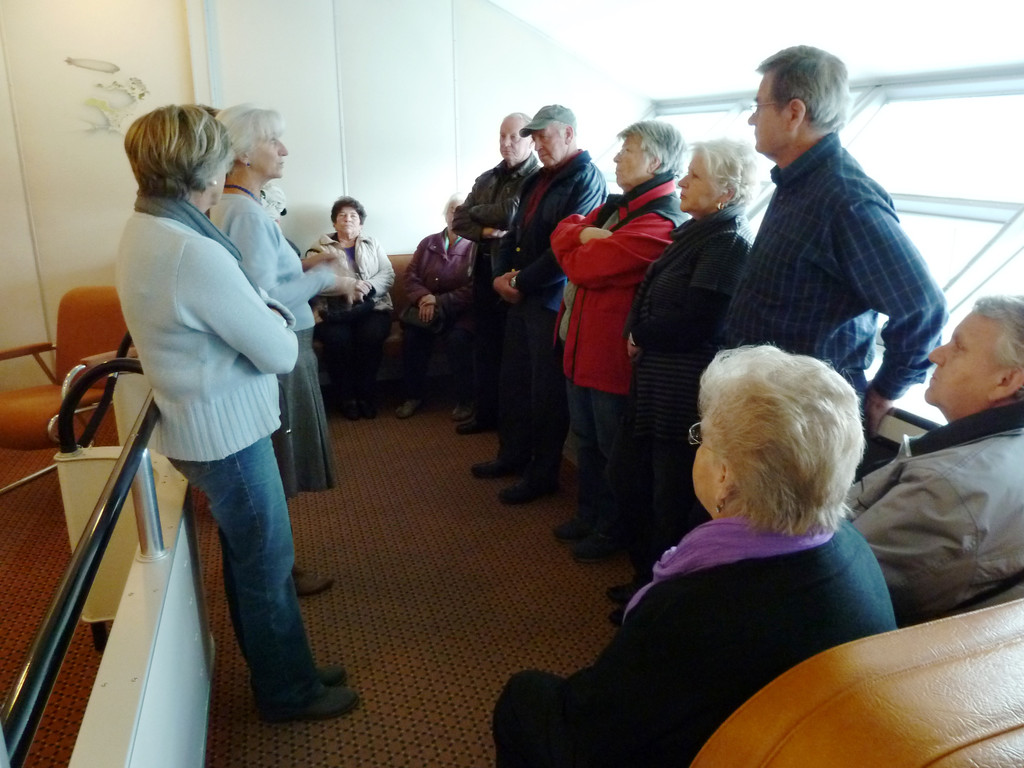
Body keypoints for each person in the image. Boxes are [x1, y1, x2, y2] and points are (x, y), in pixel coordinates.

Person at [492, 345, 897, 768]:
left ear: (725, 478)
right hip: (792, 742)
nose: (696, 447)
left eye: (701, 438)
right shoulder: (854, 548)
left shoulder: (696, 607)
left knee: (523, 696)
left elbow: (591, 732)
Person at [115, 104, 357, 722]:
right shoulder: (189, 250)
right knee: (266, 566)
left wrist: (262, 309)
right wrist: (272, 312)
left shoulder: (148, 227)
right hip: (226, 435)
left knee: (251, 558)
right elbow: (279, 350)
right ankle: (287, 691)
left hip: (204, 425)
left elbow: (247, 311)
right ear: (203, 165)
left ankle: (285, 669)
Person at [723, 45, 947, 437]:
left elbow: (923, 308)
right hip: (763, 400)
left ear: (794, 112)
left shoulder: (845, 199)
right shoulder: (798, 182)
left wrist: (886, 389)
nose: (752, 118)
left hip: (800, 417)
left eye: (760, 106)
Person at [605, 138, 758, 619]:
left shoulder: (728, 241)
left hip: (681, 391)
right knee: (634, 482)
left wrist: (641, 333)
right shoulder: (697, 232)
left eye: (694, 176)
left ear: (726, 192)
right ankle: (645, 580)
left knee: (667, 499)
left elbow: (700, 323)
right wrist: (638, 331)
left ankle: (658, 596)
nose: (682, 182)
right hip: (656, 384)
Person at [210, 104, 341, 597]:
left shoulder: (240, 205)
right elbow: (265, 298)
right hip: (281, 350)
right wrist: (327, 279)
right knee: (277, 465)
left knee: (277, 465)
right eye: (273, 141)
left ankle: (278, 565)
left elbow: (262, 279)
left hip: (284, 347)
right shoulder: (244, 211)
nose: (284, 149)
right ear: (243, 152)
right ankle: (277, 571)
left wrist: (308, 267)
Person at [548, 120, 686, 563]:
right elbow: (560, 232)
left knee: (615, 455)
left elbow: (583, 268)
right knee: (586, 443)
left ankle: (614, 529)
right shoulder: (617, 207)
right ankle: (589, 515)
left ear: (655, 161)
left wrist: (579, 242)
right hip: (580, 351)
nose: (616, 157)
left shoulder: (662, 221)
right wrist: (584, 234)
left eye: (627, 150)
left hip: (612, 360)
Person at [850, 296, 1024, 626]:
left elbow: (829, 585)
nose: (935, 355)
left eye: (958, 347)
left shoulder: (946, 489)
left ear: (1006, 381)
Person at [470, 104, 606, 505]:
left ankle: (542, 474)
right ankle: (512, 456)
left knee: (545, 394)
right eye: (535, 137)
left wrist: (519, 282)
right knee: (514, 383)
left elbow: (564, 250)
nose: (538, 145)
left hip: (550, 301)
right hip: (522, 294)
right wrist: (501, 276)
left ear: (568, 134)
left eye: (544, 136)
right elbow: (513, 234)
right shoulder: (538, 178)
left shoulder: (586, 179)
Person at [451, 112, 540, 435]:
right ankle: (485, 413)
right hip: (484, 270)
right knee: (485, 347)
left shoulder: (537, 179)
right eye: (503, 136)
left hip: (517, 274)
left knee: (513, 353)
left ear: (531, 140)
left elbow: (512, 215)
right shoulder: (487, 178)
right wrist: (487, 229)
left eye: (515, 136)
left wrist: (478, 211)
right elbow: (459, 220)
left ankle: (510, 422)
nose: (507, 143)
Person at [309, 196, 395, 421]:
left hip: (372, 306)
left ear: (361, 223)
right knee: (338, 340)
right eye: (342, 215)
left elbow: (387, 274)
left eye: (353, 216)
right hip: (333, 311)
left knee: (370, 336)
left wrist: (368, 288)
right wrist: (351, 285)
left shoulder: (373, 243)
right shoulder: (319, 247)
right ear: (334, 222)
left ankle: (366, 395)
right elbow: (316, 280)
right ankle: (346, 397)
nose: (348, 219)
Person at [395, 194, 475, 420]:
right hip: (425, 309)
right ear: (445, 213)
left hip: (459, 312)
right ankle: (413, 396)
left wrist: (438, 302)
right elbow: (410, 275)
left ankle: (466, 400)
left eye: (462, 209)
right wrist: (424, 298)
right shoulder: (428, 242)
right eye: (452, 209)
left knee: (459, 340)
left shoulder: (476, 246)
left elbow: (475, 287)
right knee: (413, 337)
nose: (456, 213)